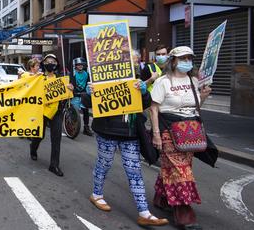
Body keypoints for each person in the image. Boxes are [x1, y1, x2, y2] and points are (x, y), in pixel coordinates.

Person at [85, 80, 169, 227]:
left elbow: (145, 104)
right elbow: (87, 103)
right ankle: (96, 194)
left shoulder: (134, 79)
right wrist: (88, 93)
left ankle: (144, 213)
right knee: (104, 164)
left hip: (130, 133)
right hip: (107, 132)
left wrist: (143, 93)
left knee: (134, 171)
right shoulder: (99, 77)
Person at [150, 46, 212, 230]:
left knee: (175, 169)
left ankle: (161, 200)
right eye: (183, 58)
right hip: (169, 131)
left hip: (189, 133)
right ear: (174, 61)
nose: (187, 61)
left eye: (189, 58)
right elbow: (154, 109)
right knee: (181, 171)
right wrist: (156, 134)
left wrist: (203, 96)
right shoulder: (163, 82)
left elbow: (194, 106)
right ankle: (185, 215)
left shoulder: (194, 80)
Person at [29, 54, 72, 177]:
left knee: (56, 138)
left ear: (56, 64)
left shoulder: (61, 78)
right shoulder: (39, 78)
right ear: (44, 63)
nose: (50, 63)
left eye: (53, 61)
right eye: (48, 61)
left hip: (56, 112)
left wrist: (70, 88)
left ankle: (54, 165)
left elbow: (67, 93)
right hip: (41, 111)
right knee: (39, 135)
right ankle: (33, 147)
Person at [69, 57, 92, 136]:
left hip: (84, 95)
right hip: (75, 95)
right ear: (75, 66)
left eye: (82, 65)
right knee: (74, 112)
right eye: (78, 65)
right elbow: (70, 83)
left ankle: (86, 127)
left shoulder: (87, 74)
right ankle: (73, 125)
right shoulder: (72, 74)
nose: (80, 66)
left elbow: (89, 84)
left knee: (86, 111)